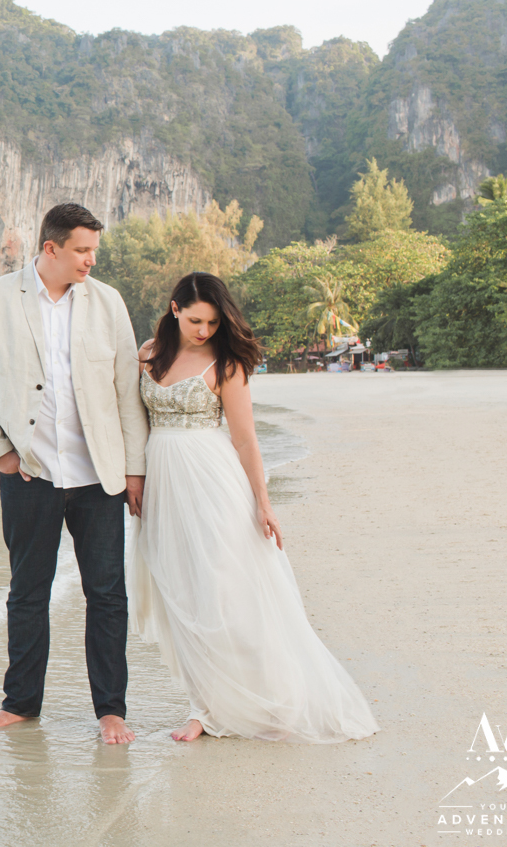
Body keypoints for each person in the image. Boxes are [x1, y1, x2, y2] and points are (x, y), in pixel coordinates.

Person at [129, 272, 378, 742]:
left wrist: (264, 504)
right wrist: (132, 477)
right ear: (174, 309)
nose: (204, 330)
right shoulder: (147, 354)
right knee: (181, 593)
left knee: (224, 591)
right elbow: (130, 422)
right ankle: (204, 706)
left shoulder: (226, 363)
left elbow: (245, 440)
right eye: (196, 320)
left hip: (212, 481)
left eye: (212, 322)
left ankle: (267, 699)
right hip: (163, 485)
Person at [0, 203, 149, 743]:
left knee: (108, 594)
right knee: (27, 593)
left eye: (94, 251)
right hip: (29, 472)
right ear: (51, 248)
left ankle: (111, 710)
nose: (91, 260)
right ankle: (20, 704)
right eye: (82, 250)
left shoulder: (107, 302)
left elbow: (126, 391)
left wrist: (134, 471)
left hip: (97, 475)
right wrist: (1, 453)